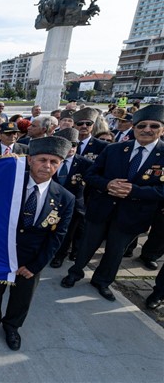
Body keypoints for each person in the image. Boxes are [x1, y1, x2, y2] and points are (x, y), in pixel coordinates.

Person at [0, 136, 74, 351]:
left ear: (60, 165)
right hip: (0, 254)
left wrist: (36, 266)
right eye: (42, 160)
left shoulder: (65, 198)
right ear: (30, 160)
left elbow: (58, 236)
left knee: (22, 297)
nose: (47, 166)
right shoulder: (8, 182)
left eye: (53, 162)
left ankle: (12, 327)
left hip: (31, 259)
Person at [61, 105, 164, 301]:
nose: (147, 130)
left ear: (162, 129)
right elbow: (91, 175)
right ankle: (75, 273)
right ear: (134, 128)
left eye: (154, 125)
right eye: (142, 125)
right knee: (87, 245)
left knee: (115, 252)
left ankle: (102, 281)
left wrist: (135, 190)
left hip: (133, 214)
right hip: (102, 208)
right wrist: (108, 184)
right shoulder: (115, 149)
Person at [49, 128, 94, 268]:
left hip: (74, 206)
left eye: (74, 144)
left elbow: (90, 188)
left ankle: (60, 255)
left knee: (66, 233)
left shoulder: (85, 164)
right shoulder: (48, 160)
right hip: (50, 204)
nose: (70, 148)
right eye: (66, 144)